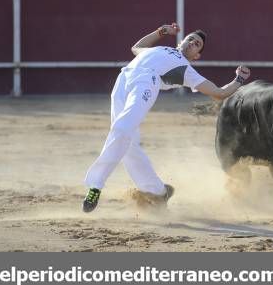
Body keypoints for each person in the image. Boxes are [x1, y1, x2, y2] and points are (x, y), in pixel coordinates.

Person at [82, 24, 251, 212]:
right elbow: (136, 48)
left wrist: (239, 80)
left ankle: (95, 185)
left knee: (121, 129)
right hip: (124, 78)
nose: (193, 42)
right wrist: (160, 32)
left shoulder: (186, 70)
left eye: (197, 44)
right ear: (182, 41)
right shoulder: (160, 49)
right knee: (128, 143)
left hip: (147, 83)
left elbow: (218, 92)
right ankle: (158, 191)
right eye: (191, 39)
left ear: (196, 56)